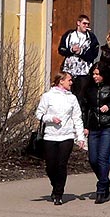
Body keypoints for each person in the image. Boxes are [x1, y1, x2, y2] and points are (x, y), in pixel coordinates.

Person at [34, 73, 86, 205]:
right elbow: (39, 113)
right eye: (69, 80)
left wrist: (80, 137)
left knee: (62, 165)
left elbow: (77, 118)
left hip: (67, 136)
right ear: (61, 81)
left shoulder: (72, 98)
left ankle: (58, 194)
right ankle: (55, 185)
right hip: (50, 135)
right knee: (50, 166)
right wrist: (50, 118)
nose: (71, 82)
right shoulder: (48, 96)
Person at [80, 63, 110, 203]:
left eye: (98, 74)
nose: (95, 77)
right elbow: (85, 108)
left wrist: (109, 106)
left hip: (108, 126)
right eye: (93, 74)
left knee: (102, 158)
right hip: (94, 127)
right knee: (93, 159)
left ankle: (101, 189)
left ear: (104, 75)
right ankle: (104, 180)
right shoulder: (89, 89)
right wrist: (85, 126)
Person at [57, 14, 99, 103]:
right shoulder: (69, 34)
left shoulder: (91, 37)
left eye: (88, 24)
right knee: (67, 95)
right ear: (78, 23)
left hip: (84, 72)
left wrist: (81, 52)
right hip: (69, 71)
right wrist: (71, 50)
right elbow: (61, 49)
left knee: (81, 97)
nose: (86, 26)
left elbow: (94, 54)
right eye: (84, 23)